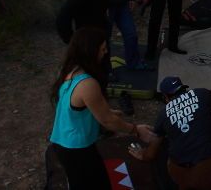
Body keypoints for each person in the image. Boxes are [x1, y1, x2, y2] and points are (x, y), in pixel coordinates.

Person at [49, 27, 155, 190]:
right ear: (90, 51)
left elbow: (76, 108)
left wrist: (108, 112)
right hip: (76, 148)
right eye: (103, 49)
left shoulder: (69, 70)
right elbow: (107, 121)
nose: (106, 52)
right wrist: (135, 130)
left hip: (63, 141)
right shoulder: (87, 83)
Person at [130, 76, 211, 190]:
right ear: (184, 89)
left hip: (176, 170)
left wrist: (142, 154)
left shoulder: (163, 114)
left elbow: (150, 154)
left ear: (166, 97)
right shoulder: (201, 93)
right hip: (206, 167)